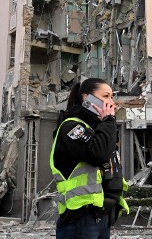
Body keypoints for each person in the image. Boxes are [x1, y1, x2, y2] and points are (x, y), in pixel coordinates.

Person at [49, 78, 129, 239]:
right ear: (86, 98)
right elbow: (98, 154)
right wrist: (108, 120)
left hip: (101, 216)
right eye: (105, 96)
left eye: (111, 97)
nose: (111, 102)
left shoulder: (97, 129)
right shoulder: (71, 127)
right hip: (80, 218)